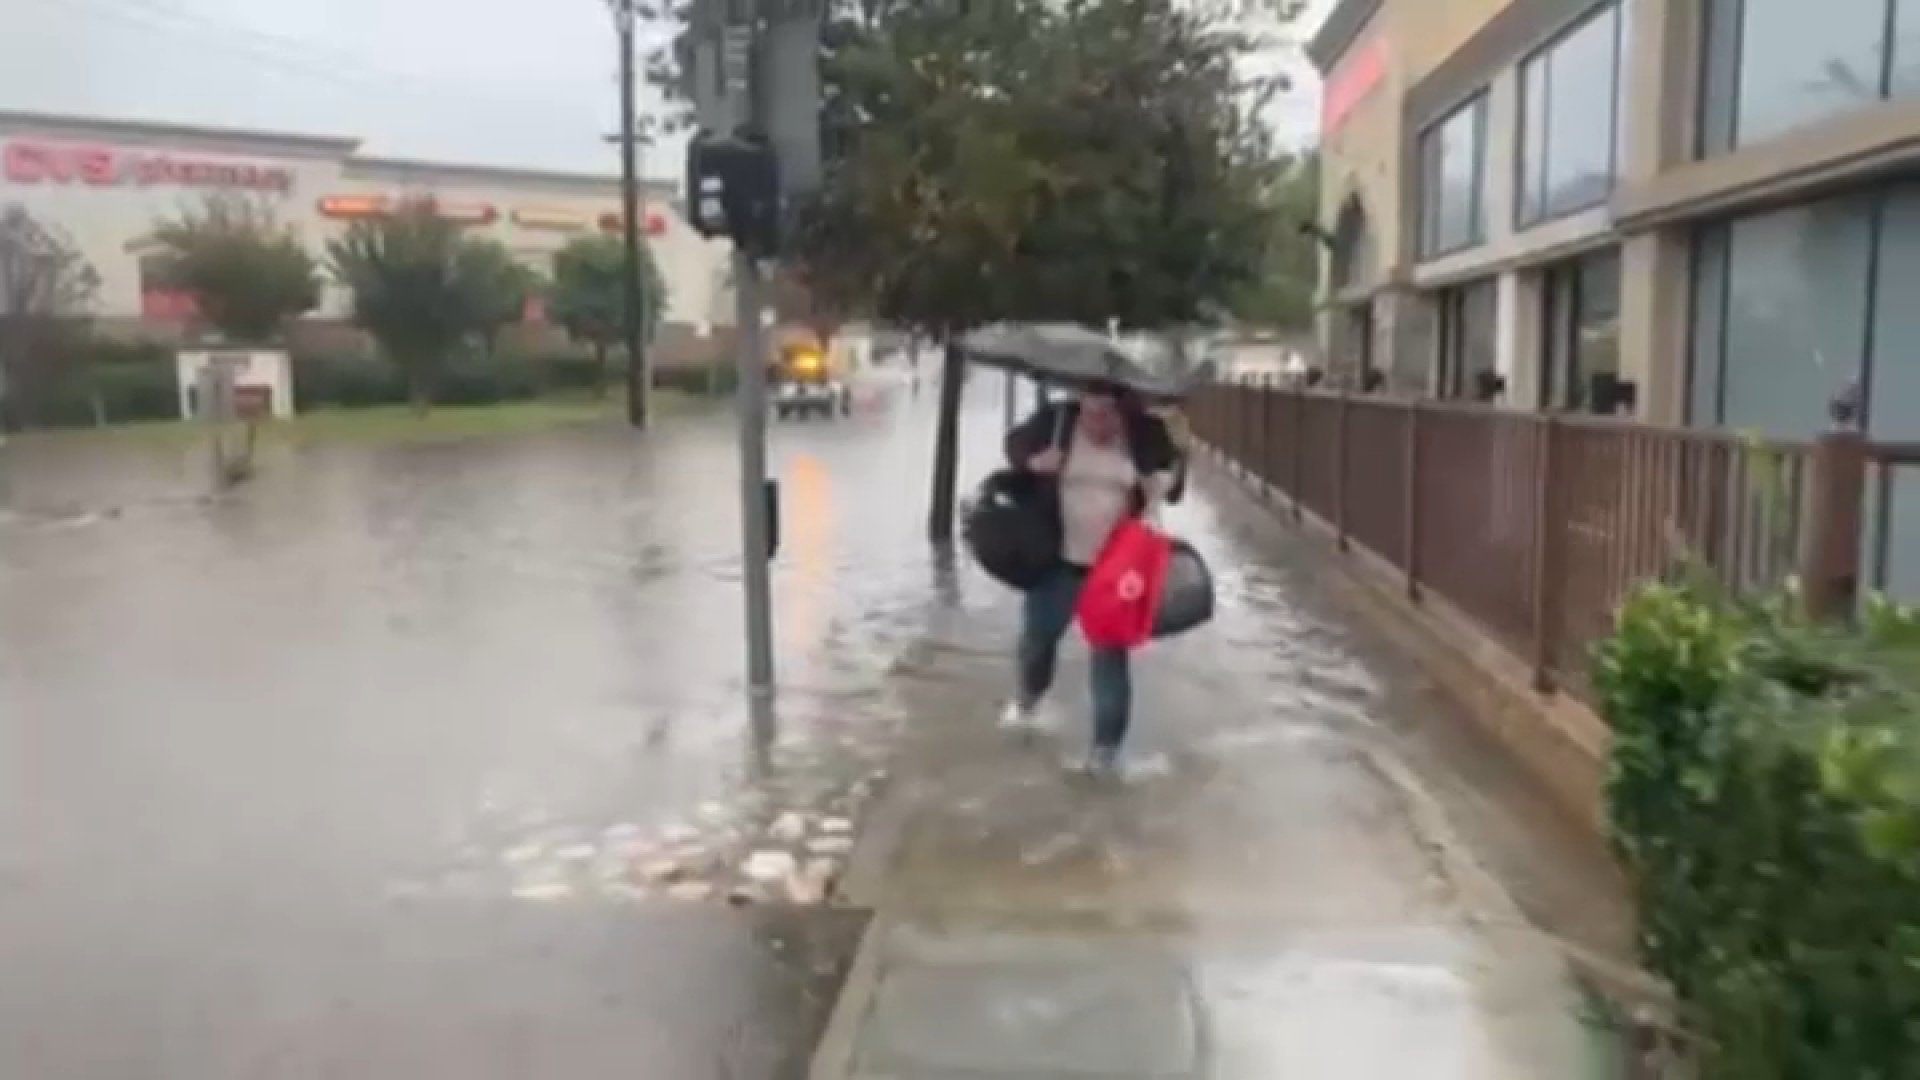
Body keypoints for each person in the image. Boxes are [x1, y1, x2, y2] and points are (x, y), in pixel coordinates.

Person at [999, 382, 1181, 777]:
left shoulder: (1144, 434)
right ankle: (1028, 705)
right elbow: (1014, 445)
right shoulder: (1055, 421)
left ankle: (1105, 754)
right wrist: (1034, 462)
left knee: (1110, 659)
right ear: (1079, 405)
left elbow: (1175, 478)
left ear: (1123, 411)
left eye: (1109, 416)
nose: (1099, 424)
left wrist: (1162, 482)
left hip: (1114, 572)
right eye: (1091, 413)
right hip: (1057, 561)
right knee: (1037, 644)